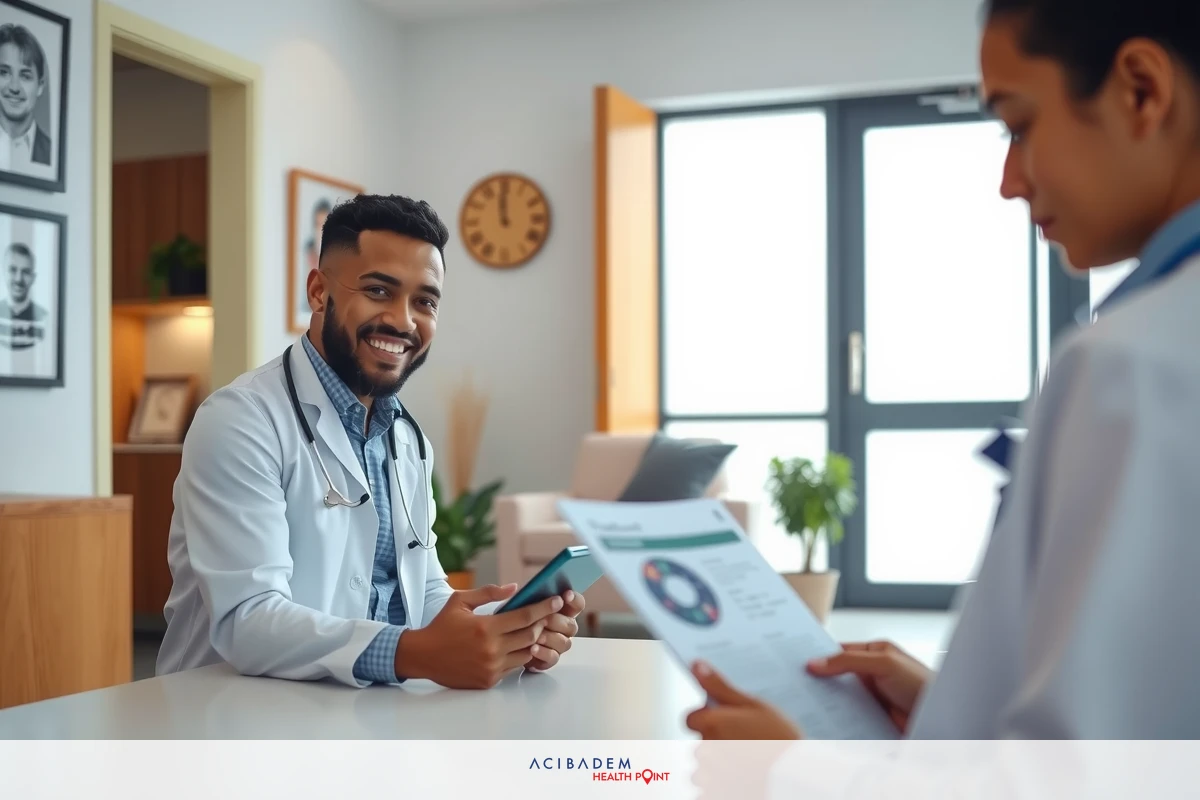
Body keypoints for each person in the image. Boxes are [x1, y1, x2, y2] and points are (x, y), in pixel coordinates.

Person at [686, 0, 1200, 739]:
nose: (1008, 180)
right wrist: (953, 715)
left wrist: (807, 777)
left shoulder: (1133, 365)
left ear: (1141, 89)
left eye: (1020, 126)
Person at [157, 194, 586, 688]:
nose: (403, 321)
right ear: (318, 291)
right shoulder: (240, 421)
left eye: (425, 301)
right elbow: (247, 620)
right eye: (379, 290)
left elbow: (416, 588)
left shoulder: (406, 437)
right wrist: (413, 652)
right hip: (227, 714)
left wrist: (505, 631)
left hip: (351, 712)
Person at [0, 23, 51, 170]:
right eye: (4, 72)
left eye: (25, 76)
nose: (14, 87)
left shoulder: (51, 152)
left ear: (40, 86)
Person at [0, 242, 48, 350]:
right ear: (3, 272)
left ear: (33, 278)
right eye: (13, 270)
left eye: (25, 272)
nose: (18, 279)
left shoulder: (45, 320)